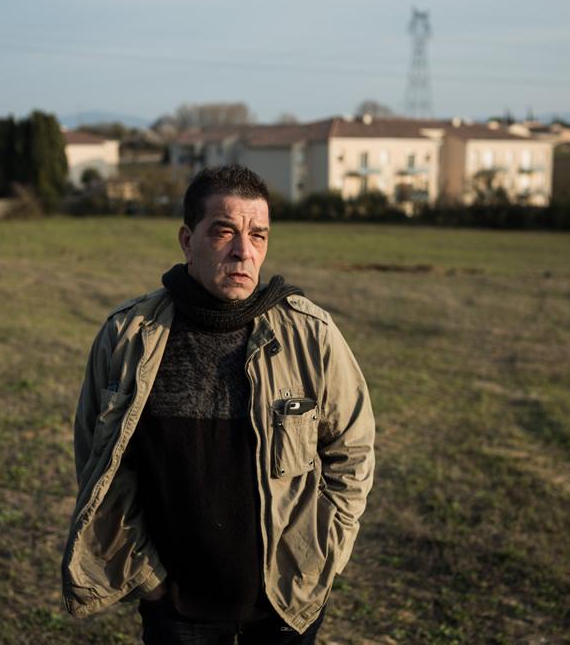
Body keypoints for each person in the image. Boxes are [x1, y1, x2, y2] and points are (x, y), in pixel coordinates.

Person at [61, 165, 374, 643]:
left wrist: (322, 554)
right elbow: (102, 465)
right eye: (224, 231)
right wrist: (148, 578)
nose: (244, 251)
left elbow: (352, 453)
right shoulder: (128, 338)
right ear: (187, 240)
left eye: (258, 235)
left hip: (286, 605)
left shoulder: (312, 336)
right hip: (178, 608)